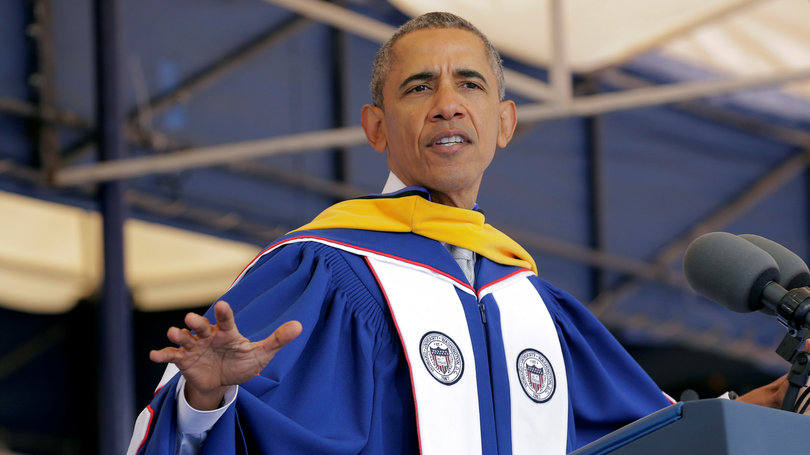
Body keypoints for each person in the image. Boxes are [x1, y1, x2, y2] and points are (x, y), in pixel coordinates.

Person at [127, 12, 793, 455]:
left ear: (503, 122)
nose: (447, 101)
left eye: (469, 83)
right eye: (419, 87)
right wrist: (205, 392)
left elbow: (653, 438)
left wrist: (783, 398)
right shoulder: (322, 270)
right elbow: (194, 433)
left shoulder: (542, 311)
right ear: (377, 127)